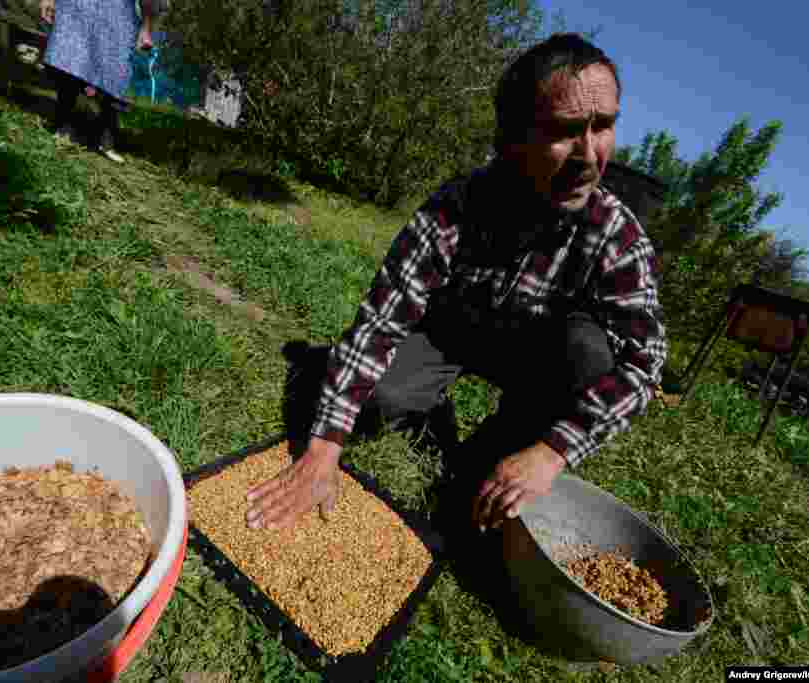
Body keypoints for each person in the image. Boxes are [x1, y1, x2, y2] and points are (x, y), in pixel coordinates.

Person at [246, 33, 668, 538]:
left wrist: (552, 452)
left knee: (590, 354)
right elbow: (382, 321)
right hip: (454, 331)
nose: (589, 153)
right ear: (515, 137)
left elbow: (645, 362)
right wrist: (321, 451)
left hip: (538, 356)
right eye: (564, 131)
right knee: (378, 396)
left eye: (604, 126)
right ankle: (420, 390)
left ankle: (506, 447)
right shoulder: (459, 205)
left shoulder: (615, 234)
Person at [39, 0, 157, 162]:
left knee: (116, 69)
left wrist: (146, 28)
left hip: (120, 13)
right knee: (68, 55)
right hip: (79, 6)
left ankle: (105, 137)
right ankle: (64, 124)